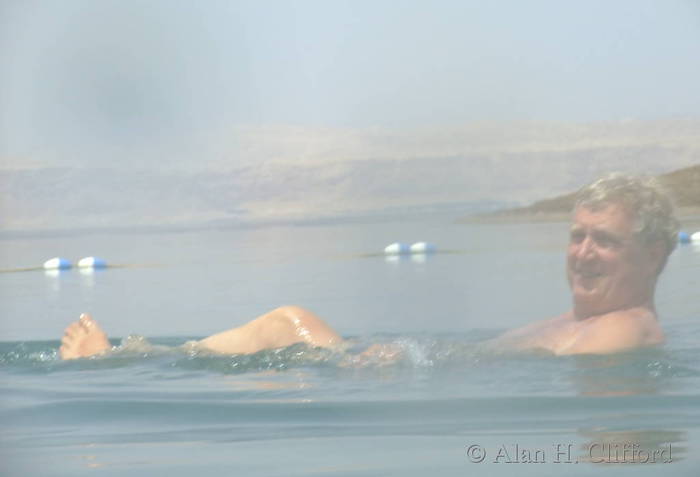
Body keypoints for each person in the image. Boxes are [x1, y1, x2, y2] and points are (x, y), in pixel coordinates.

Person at [59, 174, 679, 360]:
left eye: (605, 241)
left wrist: (406, 366)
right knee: (288, 326)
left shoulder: (626, 329)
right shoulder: (576, 323)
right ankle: (133, 359)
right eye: (576, 237)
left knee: (290, 322)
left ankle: (119, 362)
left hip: (404, 376)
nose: (583, 253)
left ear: (655, 253)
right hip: (399, 366)